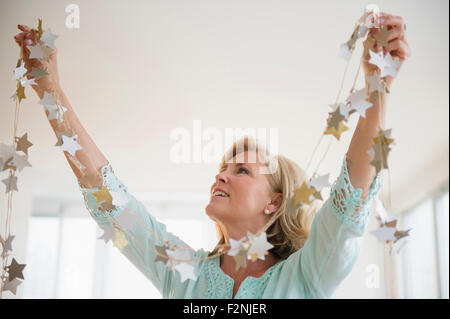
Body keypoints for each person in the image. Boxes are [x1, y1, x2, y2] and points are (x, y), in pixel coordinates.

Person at [14, 11, 410, 298]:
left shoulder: (306, 276)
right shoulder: (183, 273)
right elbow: (111, 199)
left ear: (274, 202)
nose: (220, 175)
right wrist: (51, 93)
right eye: (222, 168)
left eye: (241, 170)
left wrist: (377, 88)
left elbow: (352, 192)